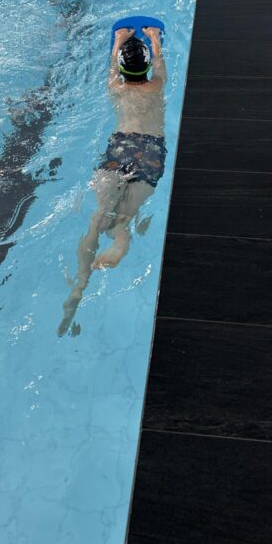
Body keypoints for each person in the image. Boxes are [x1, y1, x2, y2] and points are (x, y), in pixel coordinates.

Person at [59, 26, 166, 337]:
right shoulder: (156, 86)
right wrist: (154, 39)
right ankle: (120, 241)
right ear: (146, 66)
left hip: (119, 148)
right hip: (149, 151)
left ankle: (80, 284)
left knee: (97, 218)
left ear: (121, 68)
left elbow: (111, 68)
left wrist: (118, 40)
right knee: (124, 216)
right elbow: (159, 65)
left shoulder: (114, 87)